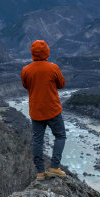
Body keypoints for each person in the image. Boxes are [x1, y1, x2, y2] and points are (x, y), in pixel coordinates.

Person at [21, 39, 67, 181]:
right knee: (60, 136)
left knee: (37, 141)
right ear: (47, 51)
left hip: (36, 111)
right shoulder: (53, 68)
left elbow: (26, 86)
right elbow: (61, 84)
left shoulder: (26, 70)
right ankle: (54, 166)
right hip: (53, 109)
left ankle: (40, 172)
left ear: (32, 53)